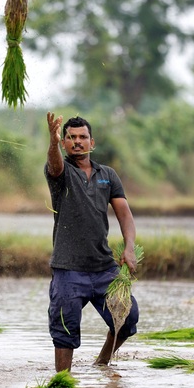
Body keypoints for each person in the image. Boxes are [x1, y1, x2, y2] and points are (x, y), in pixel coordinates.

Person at [45, 112, 139, 372]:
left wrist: (129, 247)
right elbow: (54, 165)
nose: (77, 141)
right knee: (64, 328)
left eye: (82, 137)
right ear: (64, 143)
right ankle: (63, 384)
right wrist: (52, 142)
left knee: (128, 318)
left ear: (92, 142)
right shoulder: (60, 173)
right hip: (68, 268)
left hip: (103, 268)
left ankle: (102, 363)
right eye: (70, 138)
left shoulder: (107, 175)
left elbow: (125, 214)